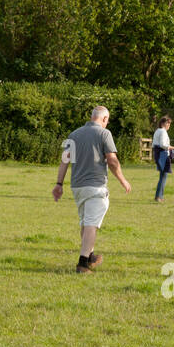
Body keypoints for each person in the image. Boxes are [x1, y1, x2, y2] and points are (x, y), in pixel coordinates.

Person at [53, 106, 132, 273]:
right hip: (95, 186)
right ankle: (83, 263)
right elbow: (112, 161)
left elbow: (64, 161)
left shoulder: (73, 135)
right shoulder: (104, 134)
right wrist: (123, 180)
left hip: (77, 187)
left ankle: (90, 256)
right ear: (104, 119)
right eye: (107, 120)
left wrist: (59, 184)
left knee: (85, 222)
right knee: (91, 224)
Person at [151, 115, 174, 202]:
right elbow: (163, 145)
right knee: (163, 177)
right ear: (162, 123)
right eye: (167, 123)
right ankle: (159, 197)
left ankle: (159, 196)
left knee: (162, 176)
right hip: (162, 155)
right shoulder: (162, 132)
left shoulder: (158, 131)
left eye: (169, 123)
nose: (169, 125)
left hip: (160, 154)